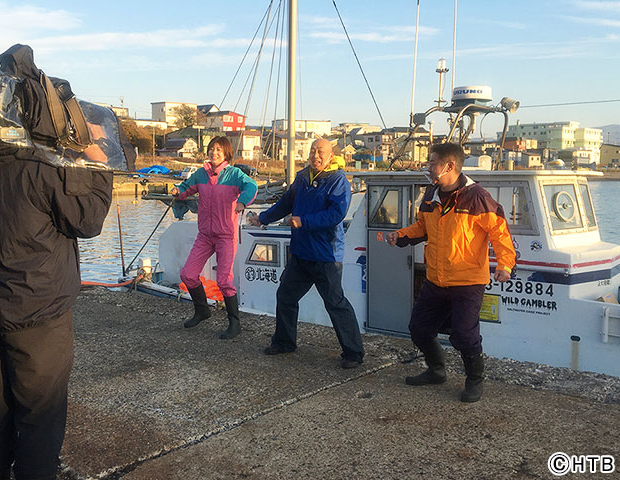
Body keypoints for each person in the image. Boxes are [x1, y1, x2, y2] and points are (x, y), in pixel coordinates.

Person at [0, 146, 113, 480]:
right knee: (40, 417)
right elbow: (88, 217)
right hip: (37, 311)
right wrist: (97, 163)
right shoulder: (41, 165)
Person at [386, 142, 515, 402]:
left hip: (467, 282)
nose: (428, 166)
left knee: (464, 335)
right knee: (419, 329)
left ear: (449, 166)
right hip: (436, 280)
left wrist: (505, 264)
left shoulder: (476, 196)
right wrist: (400, 235)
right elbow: (422, 227)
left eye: (432, 162)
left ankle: (475, 380)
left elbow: (499, 232)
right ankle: (436, 370)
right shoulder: (431, 195)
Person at [248, 138, 365, 369]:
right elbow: (285, 204)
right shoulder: (302, 177)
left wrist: (305, 221)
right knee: (286, 296)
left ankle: (354, 353)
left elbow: (336, 214)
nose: (316, 155)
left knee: (335, 303)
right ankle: (284, 342)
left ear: (331, 156)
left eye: (320, 152)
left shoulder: (338, 180)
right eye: (313, 151)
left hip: (326, 255)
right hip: (301, 253)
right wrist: (262, 218)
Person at [170, 136, 257, 339]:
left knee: (224, 280)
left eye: (218, 149)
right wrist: (178, 191)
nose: (214, 152)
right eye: (211, 149)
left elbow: (252, 186)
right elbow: (186, 187)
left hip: (226, 235)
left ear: (226, 153)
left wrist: (242, 202)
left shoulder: (234, 175)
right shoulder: (201, 174)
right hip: (205, 235)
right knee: (188, 275)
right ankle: (202, 310)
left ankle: (234, 324)